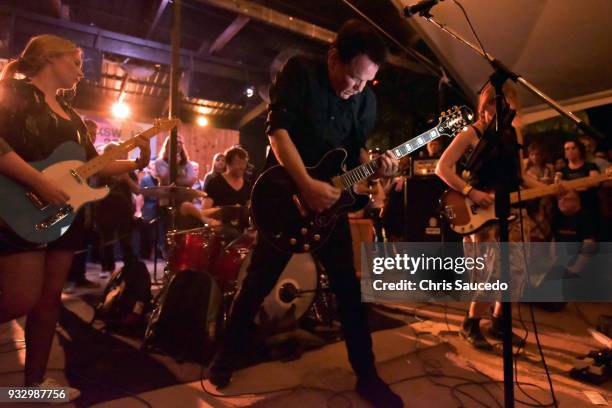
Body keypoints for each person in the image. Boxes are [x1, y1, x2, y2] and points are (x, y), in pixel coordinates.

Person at [208, 20, 402, 407]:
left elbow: (356, 151)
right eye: (351, 77)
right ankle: (225, 358)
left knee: (349, 289)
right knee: (257, 283)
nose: (356, 89)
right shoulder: (300, 72)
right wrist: (307, 186)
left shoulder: (364, 99)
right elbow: (277, 133)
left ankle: (367, 376)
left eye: (365, 82)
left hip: (329, 209)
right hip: (284, 197)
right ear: (333, 58)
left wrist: (378, 166)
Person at [0, 35, 150, 398]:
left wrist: (136, 162)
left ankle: (33, 389)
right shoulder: (13, 93)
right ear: (51, 58)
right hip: (18, 207)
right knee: (19, 298)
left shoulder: (73, 117)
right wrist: (40, 183)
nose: (82, 73)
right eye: (76, 62)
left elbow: (92, 165)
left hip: (62, 216)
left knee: (49, 302)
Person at [435, 81, 545, 350]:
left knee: (515, 270)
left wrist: (552, 189)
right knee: (488, 273)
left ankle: (499, 322)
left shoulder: (514, 134)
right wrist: (470, 191)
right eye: (494, 104)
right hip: (481, 215)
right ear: (485, 105)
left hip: (511, 210)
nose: (499, 111)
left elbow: (521, 177)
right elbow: (442, 168)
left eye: (506, 106)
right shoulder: (470, 134)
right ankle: (470, 324)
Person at [95, 143, 141, 278]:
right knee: (106, 241)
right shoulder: (102, 169)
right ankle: (107, 268)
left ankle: (129, 267)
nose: (119, 154)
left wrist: (126, 178)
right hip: (105, 208)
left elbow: (137, 190)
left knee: (126, 241)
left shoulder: (128, 169)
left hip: (124, 210)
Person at [180, 146, 251, 232]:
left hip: (242, 234)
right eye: (238, 163)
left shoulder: (247, 184)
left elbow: (249, 209)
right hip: (220, 232)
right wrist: (223, 212)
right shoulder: (215, 183)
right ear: (228, 163)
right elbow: (205, 211)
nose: (242, 167)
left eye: (244, 163)